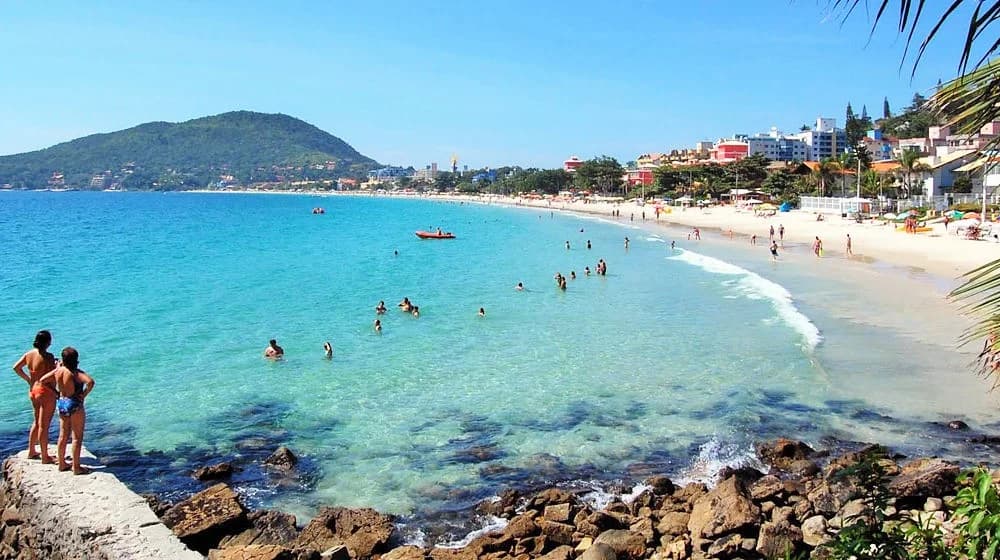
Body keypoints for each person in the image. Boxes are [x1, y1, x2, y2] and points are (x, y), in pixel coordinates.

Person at [37, 347, 94, 475]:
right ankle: (76, 467)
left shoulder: (58, 371)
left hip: (62, 403)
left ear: (63, 359)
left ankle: (62, 464)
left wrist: (56, 392)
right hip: (74, 403)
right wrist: (84, 395)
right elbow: (90, 382)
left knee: (63, 435)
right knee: (76, 438)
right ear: (76, 359)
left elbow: (42, 380)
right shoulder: (75, 373)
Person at [13, 330, 57, 463]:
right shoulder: (48, 356)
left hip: (33, 390)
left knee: (37, 421)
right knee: (44, 425)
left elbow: (16, 367)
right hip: (45, 392)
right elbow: (50, 377)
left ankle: (32, 451)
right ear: (48, 342)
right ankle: (45, 456)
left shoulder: (29, 354)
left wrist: (28, 379)